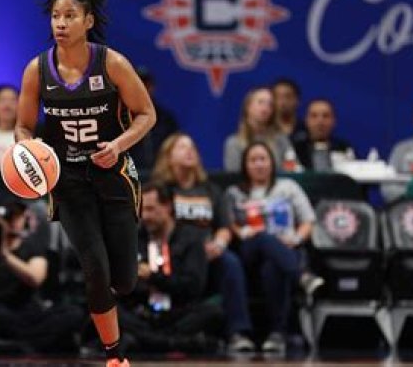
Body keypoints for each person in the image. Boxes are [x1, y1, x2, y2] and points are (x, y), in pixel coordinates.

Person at [15, 0, 156, 367]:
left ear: (88, 21)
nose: (60, 24)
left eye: (69, 16)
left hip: (113, 174)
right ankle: (114, 356)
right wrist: (28, 151)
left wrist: (119, 145)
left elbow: (147, 114)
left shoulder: (112, 63)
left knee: (123, 280)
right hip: (68, 179)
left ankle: (113, 295)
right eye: (55, 17)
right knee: (94, 267)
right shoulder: (37, 70)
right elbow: (23, 127)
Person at [151, 133, 255, 352]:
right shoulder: (163, 190)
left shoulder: (210, 190)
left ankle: (238, 332)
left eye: (192, 147)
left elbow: (224, 226)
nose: (189, 151)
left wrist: (219, 244)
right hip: (176, 254)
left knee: (230, 262)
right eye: (182, 147)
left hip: (208, 255)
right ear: (168, 157)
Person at [225, 142, 322, 353]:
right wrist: (241, 231)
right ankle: (301, 276)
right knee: (262, 236)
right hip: (249, 250)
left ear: (272, 162)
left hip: (283, 251)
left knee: (273, 266)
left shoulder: (288, 187)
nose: (259, 165)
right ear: (245, 165)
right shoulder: (235, 193)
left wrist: (296, 238)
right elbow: (228, 223)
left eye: (263, 159)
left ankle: (277, 334)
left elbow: (308, 221)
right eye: (253, 160)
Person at [0, 200, 84, 354]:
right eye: (9, 217)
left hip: (28, 312)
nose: (14, 222)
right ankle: (34, 343)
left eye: (18, 216)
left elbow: (35, 279)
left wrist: (4, 254)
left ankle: (17, 344)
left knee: (74, 313)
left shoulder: (32, 248)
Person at [116, 182, 223, 353]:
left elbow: (193, 286)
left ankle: (148, 342)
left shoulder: (191, 239)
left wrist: (153, 277)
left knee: (213, 312)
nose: (145, 216)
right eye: (141, 210)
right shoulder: (134, 238)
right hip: (142, 312)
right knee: (109, 310)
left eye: (150, 209)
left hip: (178, 312)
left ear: (168, 207)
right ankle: (175, 343)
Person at [224, 86, 298, 172]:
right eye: (261, 102)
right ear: (248, 107)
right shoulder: (234, 143)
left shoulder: (281, 140)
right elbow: (233, 175)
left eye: (270, 105)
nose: (266, 108)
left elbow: (294, 170)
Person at [127, 66, 179, 171]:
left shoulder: (166, 119)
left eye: (145, 84)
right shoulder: (120, 116)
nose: (142, 89)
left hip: (159, 175)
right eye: (138, 84)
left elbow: (173, 148)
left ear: (152, 87)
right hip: (128, 173)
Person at [293, 99, 354, 171]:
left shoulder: (344, 148)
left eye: (325, 116)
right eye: (314, 116)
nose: (320, 122)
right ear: (306, 120)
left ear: (333, 121)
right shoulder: (295, 148)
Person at [272, 78, 307, 142]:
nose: (283, 102)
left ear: (297, 100)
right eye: (278, 97)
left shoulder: (307, 128)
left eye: (288, 97)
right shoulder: (264, 129)